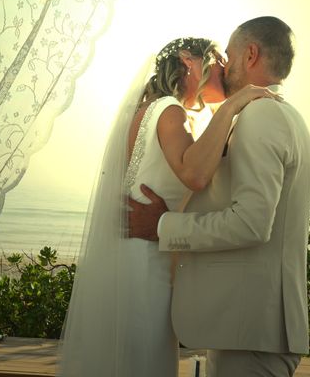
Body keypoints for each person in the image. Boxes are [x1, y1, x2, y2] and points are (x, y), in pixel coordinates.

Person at [58, 37, 277, 377]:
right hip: (145, 263)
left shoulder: (154, 110)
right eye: (217, 60)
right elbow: (195, 174)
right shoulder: (168, 110)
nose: (223, 68)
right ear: (189, 61)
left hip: (142, 255)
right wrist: (234, 104)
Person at [128, 16, 310, 377]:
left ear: (250, 54)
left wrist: (162, 226)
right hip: (244, 328)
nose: (223, 65)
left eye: (228, 56)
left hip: (251, 331)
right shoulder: (278, 114)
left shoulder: (262, 116)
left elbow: (251, 223)